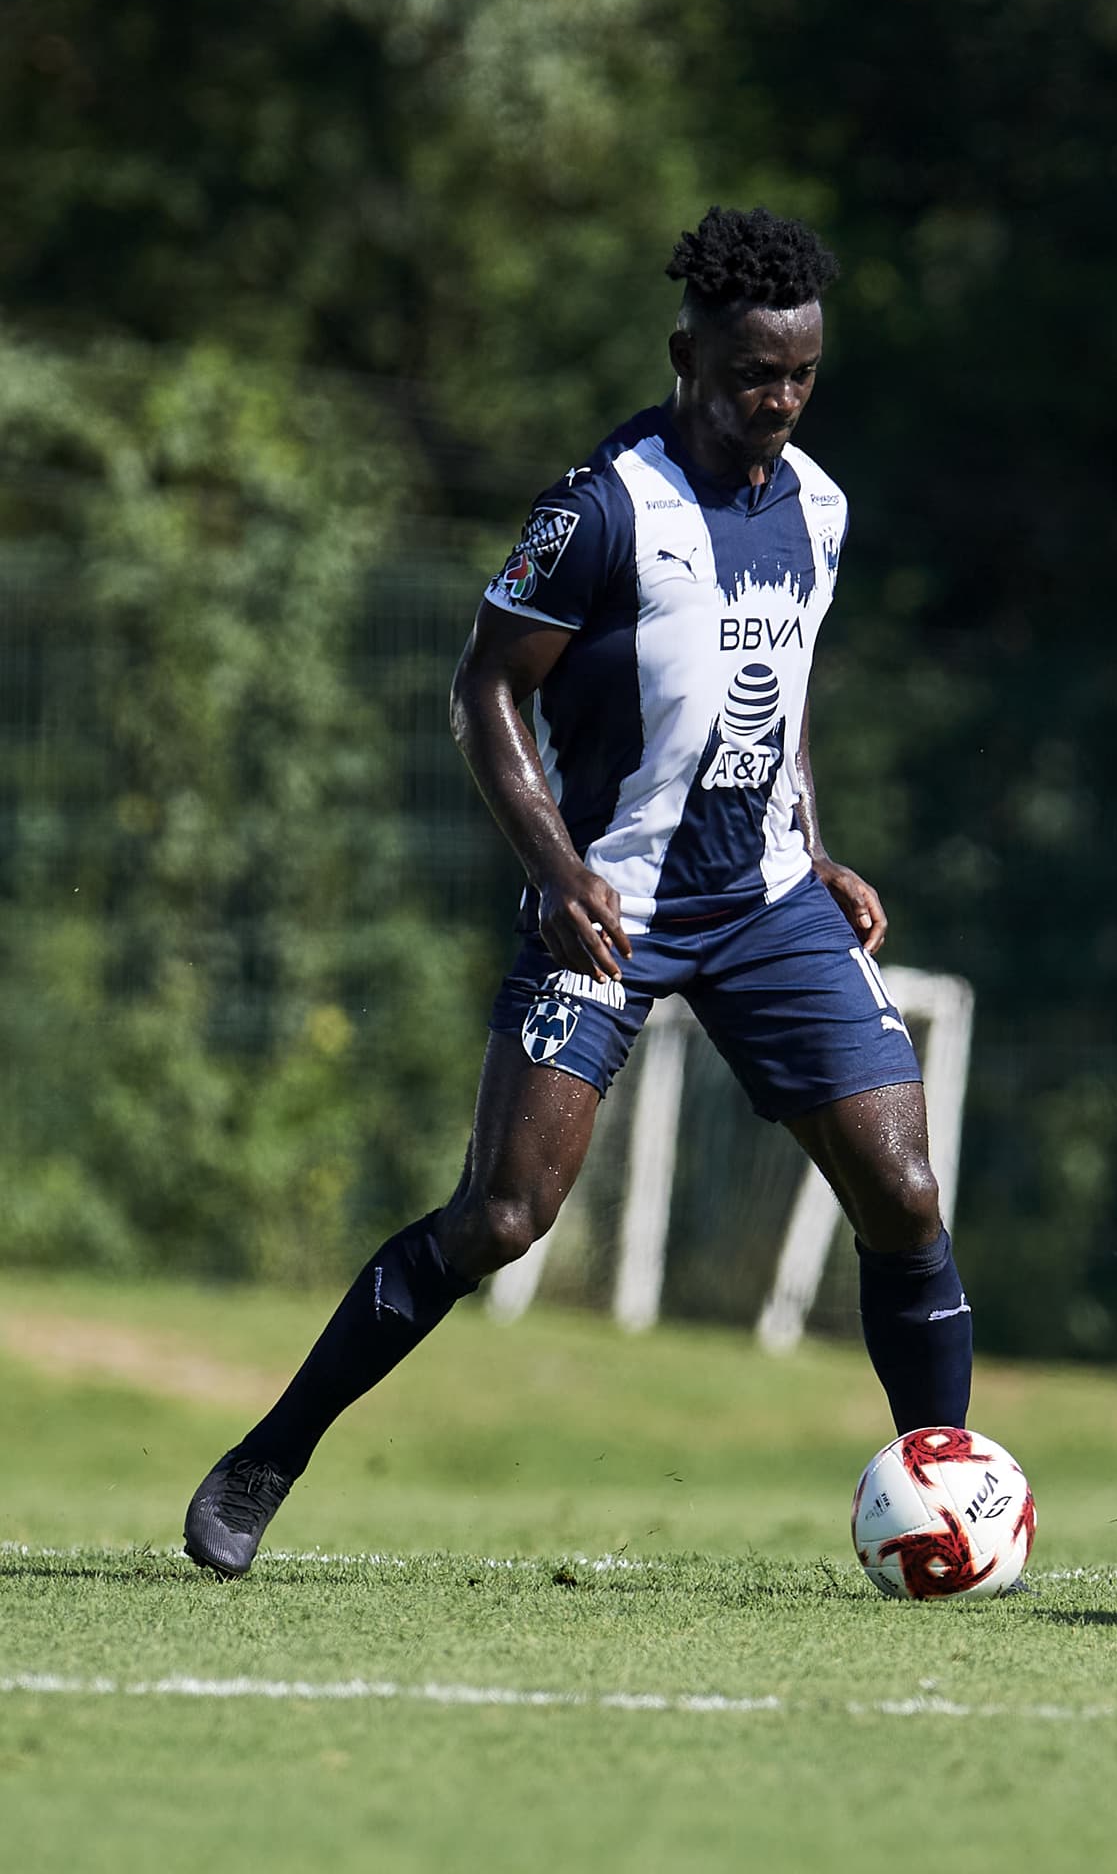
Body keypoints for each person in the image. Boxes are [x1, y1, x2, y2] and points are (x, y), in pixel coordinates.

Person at [184, 206, 972, 1579]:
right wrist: (553, 874)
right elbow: (482, 688)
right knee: (502, 1215)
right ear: (687, 354)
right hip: (608, 900)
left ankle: (951, 1499)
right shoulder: (601, 506)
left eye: (797, 376)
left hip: (770, 901)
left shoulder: (822, 508)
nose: (775, 403)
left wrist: (816, 840)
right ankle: (266, 1460)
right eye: (749, 377)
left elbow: (774, 706)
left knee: (904, 1197)